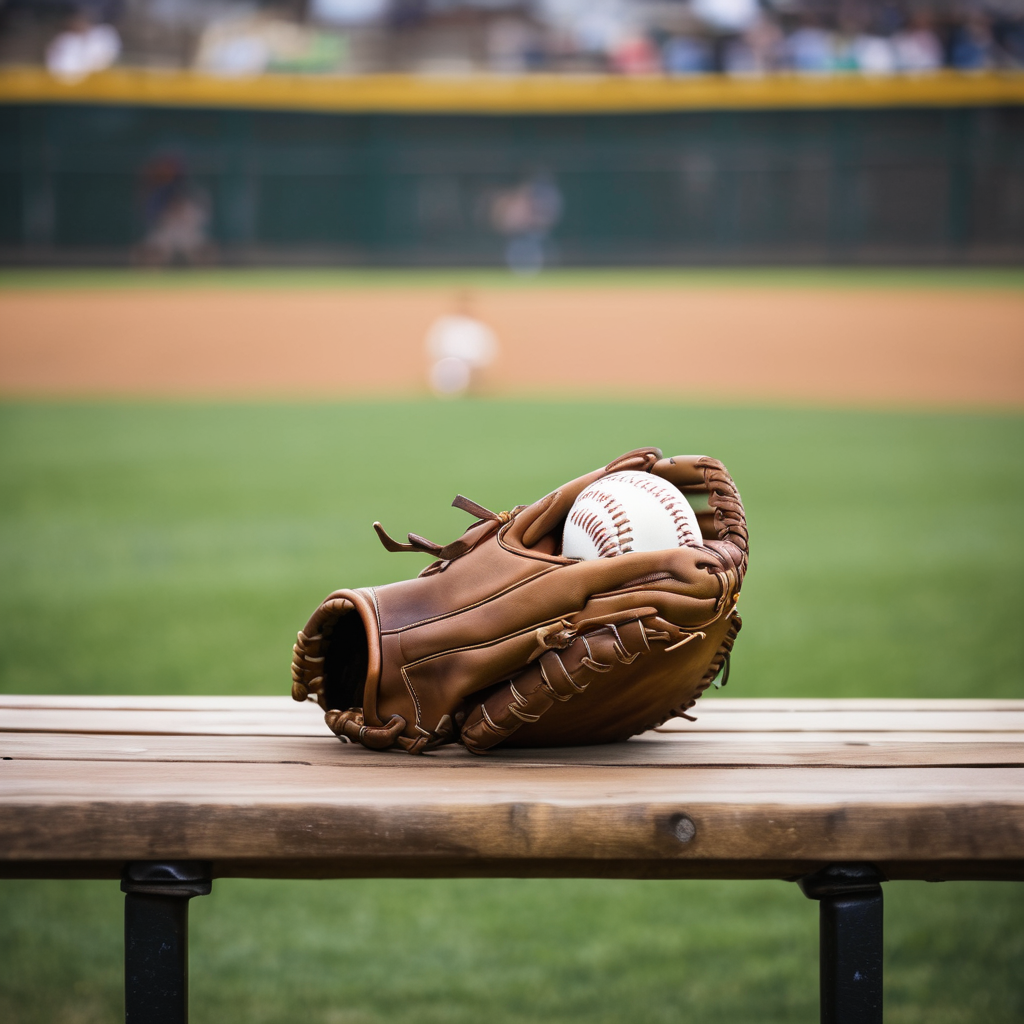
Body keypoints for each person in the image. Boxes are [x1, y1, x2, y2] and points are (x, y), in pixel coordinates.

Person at [423, 294, 500, 397]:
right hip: (447, 362)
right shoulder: (444, 324)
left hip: (471, 366)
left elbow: (488, 351)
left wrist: (480, 368)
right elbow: (433, 346)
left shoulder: (478, 327)